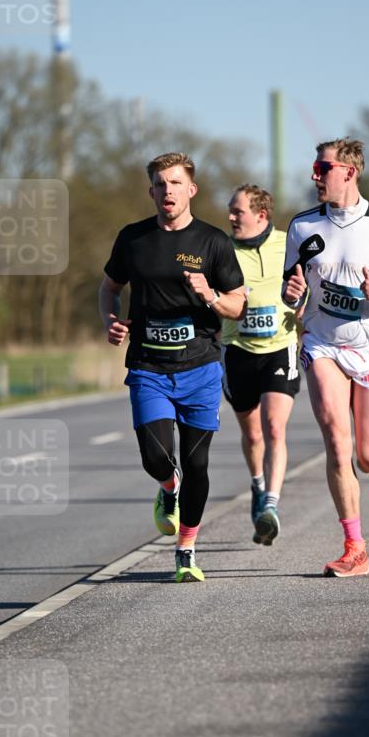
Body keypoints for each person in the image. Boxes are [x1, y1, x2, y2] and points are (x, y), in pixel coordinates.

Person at [99, 152, 245, 582]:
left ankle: (186, 548)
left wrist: (210, 296)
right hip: (148, 366)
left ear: (191, 189)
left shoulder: (213, 242)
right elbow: (109, 288)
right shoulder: (133, 239)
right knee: (157, 457)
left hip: (200, 367)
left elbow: (238, 305)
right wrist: (109, 319)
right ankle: (168, 489)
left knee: (197, 464)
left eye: (175, 183)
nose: (168, 191)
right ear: (151, 191)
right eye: (160, 184)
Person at [283, 138, 369, 577]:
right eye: (315, 168)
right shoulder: (302, 227)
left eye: (322, 168)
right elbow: (291, 288)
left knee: (368, 453)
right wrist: (292, 295)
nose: (314, 176)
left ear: (349, 172)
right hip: (322, 342)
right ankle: (355, 546)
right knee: (337, 440)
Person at [222, 185, 299, 546]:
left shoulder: (290, 243)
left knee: (274, 428)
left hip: (279, 347)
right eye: (230, 211)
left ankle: (271, 505)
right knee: (252, 434)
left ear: (261, 215)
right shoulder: (221, 249)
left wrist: (304, 304)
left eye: (238, 211)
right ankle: (257, 483)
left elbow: (311, 281)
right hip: (237, 349)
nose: (231, 217)